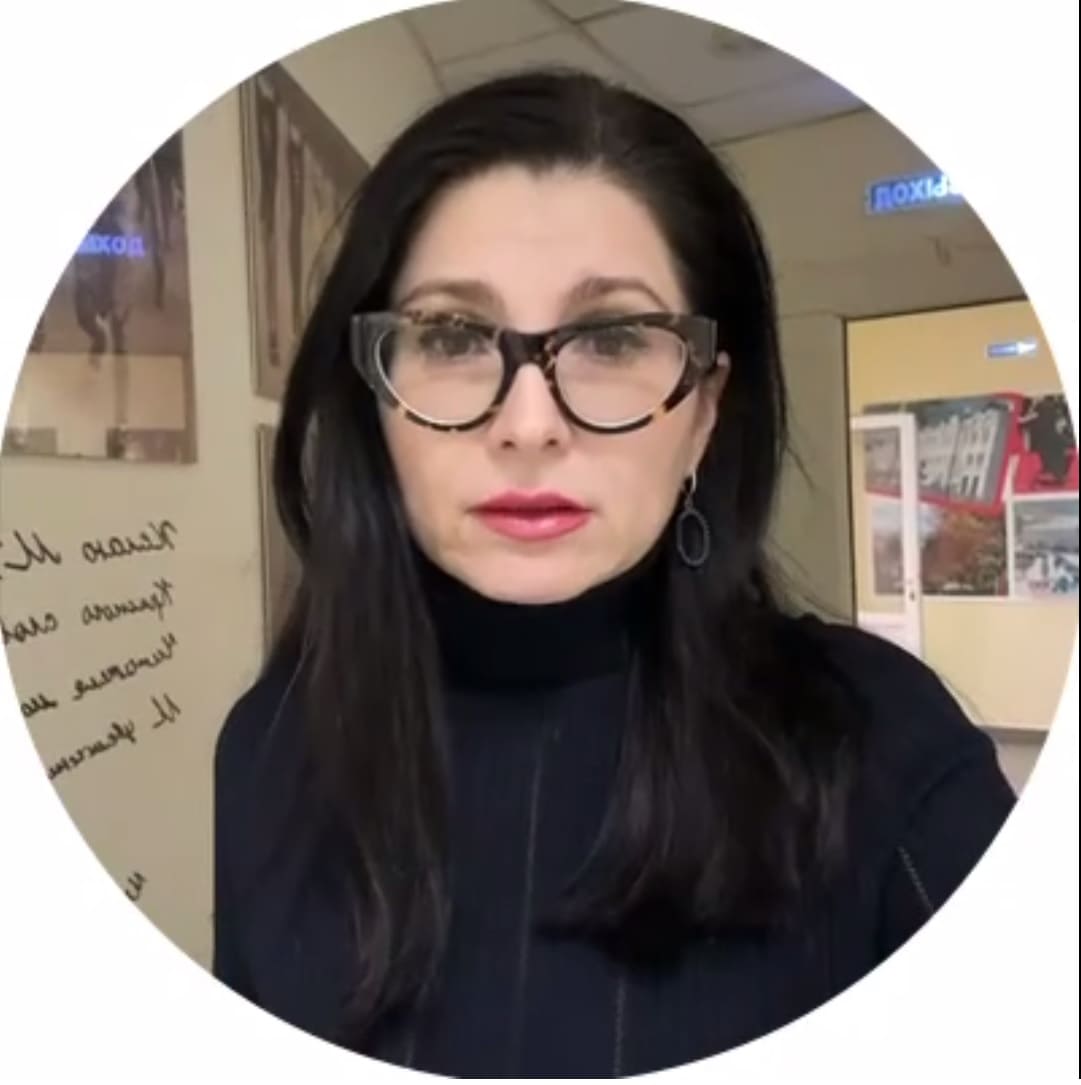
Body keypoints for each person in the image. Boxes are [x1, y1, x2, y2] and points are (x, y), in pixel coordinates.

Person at [213, 69, 1017, 1077]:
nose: (529, 423)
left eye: (611, 338)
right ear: (374, 396)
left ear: (704, 412)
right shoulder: (268, 748)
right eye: (452, 335)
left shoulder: (885, 749)